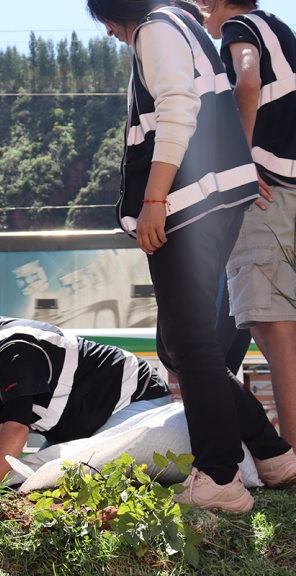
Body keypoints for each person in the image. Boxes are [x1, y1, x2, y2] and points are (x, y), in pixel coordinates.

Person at [85, 0, 296, 512]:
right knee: (180, 341)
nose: (110, 33)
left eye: (106, 22)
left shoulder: (156, 29)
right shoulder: (183, 24)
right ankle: (271, 455)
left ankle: (220, 474)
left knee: (190, 342)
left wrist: (154, 199)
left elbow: (179, 107)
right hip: (213, 198)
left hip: (188, 201)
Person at [0, 292, 172, 494]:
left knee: (62, 481)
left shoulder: (10, 347)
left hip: (136, 400)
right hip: (87, 425)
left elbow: (15, 430)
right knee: (34, 483)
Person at [198, 0, 296, 452]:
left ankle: (291, 454)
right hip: (289, 187)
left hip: (267, 194)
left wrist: (238, 159)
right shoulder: (281, 29)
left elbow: (248, 76)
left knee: (274, 331)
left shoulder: (240, 27)